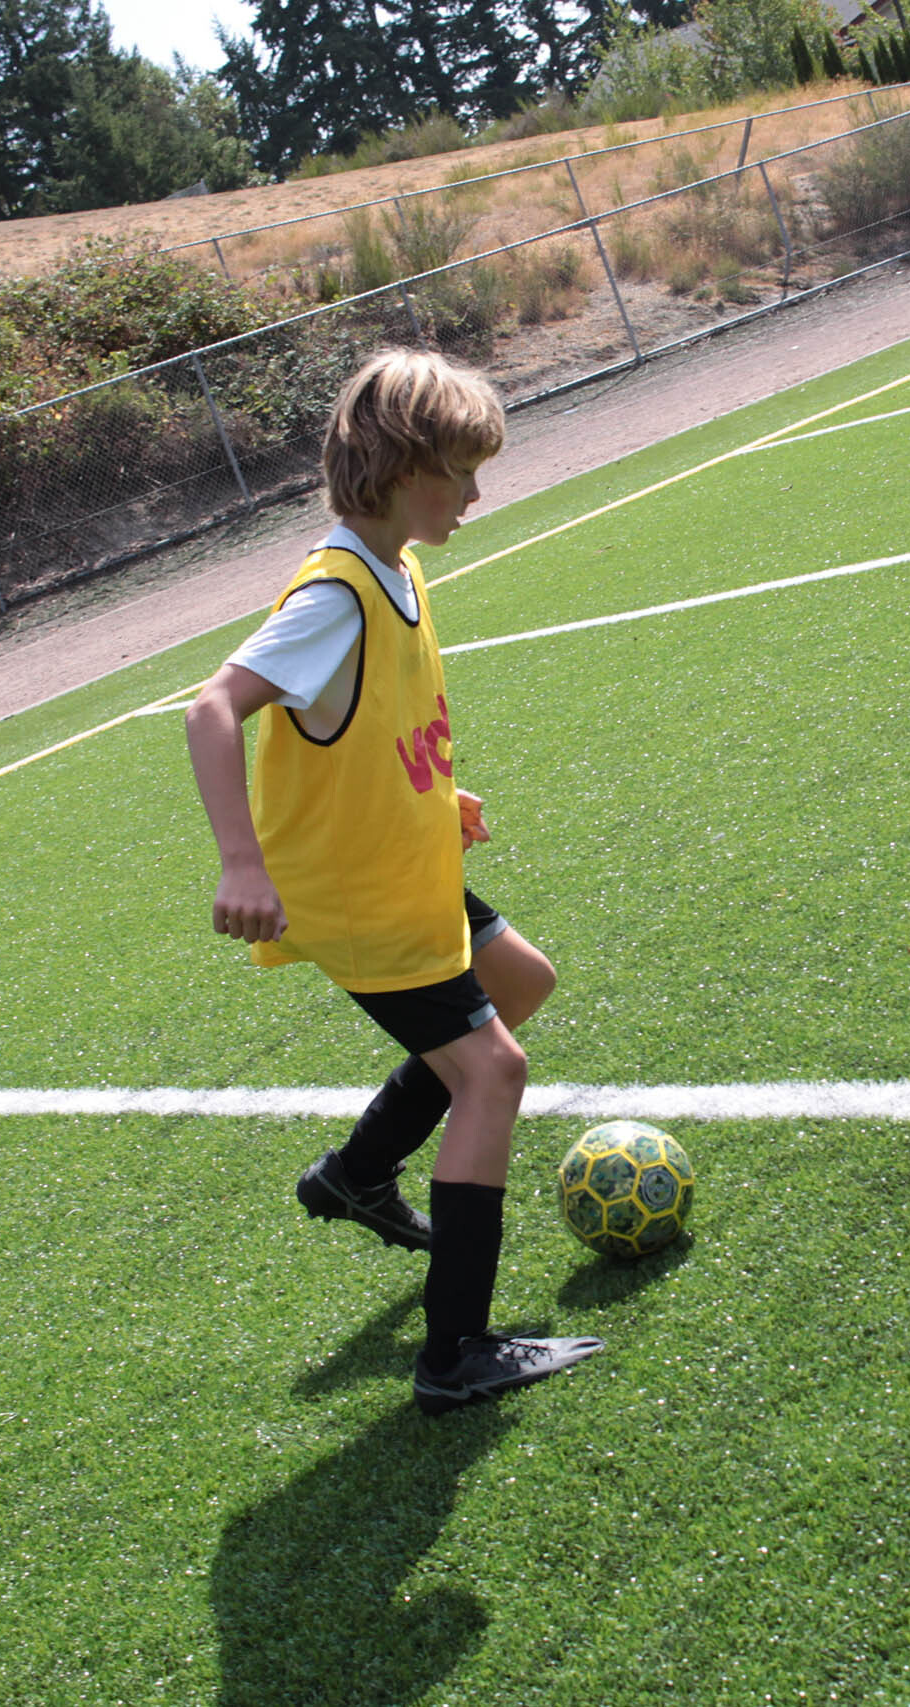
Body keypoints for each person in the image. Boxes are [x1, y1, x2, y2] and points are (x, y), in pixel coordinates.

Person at [185, 348, 606, 1413]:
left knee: (522, 982)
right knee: (492, 1074)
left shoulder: (397, 568)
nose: (474, 495)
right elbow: (212, 709)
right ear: (400, 469)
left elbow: (364, 729)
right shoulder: (335, 595)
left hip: (400, 863)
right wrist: (241, 862)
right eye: (460, 473)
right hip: (357, 899)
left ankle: (358, 1173)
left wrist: (436, 797)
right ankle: (454, 1352)